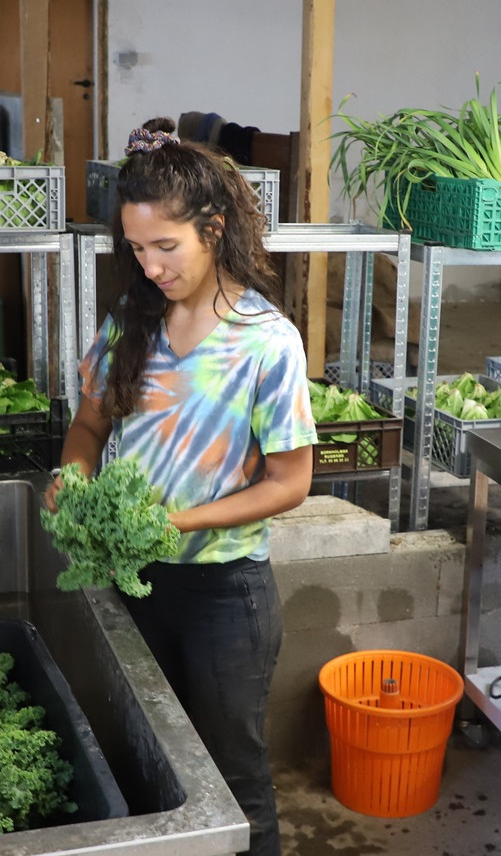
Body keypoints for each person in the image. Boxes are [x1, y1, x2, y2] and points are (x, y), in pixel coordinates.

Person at [46, 117, 315, 856]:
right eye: (136, 250)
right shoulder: (131, 321)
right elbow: (88, 431)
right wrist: (70, 481)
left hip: (223, 593)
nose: (151, 266)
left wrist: (180, 524)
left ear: (213, 230)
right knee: (145, 754)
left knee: (232, 773)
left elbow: (290, 481)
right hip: (128, 582)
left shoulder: (265, 340)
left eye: (166, 247)